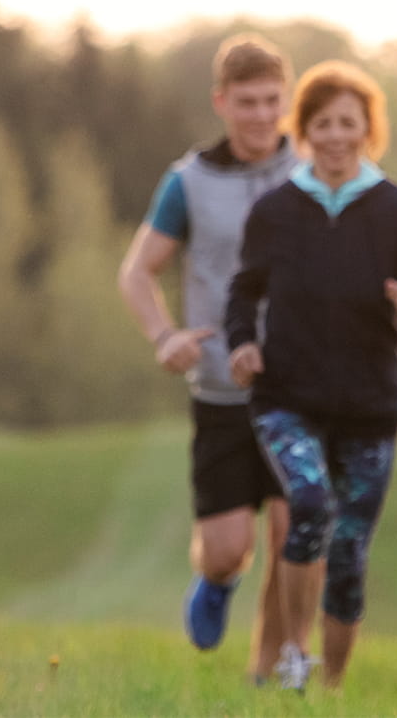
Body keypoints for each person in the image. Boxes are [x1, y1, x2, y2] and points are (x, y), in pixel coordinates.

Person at [225, 59, 397, 692]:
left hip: (369, 407)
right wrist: (242, 342)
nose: (333, 135)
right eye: (321, 122)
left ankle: (331, 687)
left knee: (349, 551)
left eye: (346, 123)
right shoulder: (276, 210)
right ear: (303, 129)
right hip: (286, 398)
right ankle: (294, 656)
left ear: (366, 130)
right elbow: (244, 292)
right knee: (306, 503)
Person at [117, 33, 300, 682]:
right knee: (229, 549)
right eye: (245, 101)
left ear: (287, 98)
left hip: (297, 392)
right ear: (221, 101)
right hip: (219, 391)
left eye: (271, 100)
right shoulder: (187, 181)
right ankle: (217, 580)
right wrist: (165, 336)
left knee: (292, 535)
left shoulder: (312, 170)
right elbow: (137, 271)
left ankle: (267, 670)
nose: (259, 114)